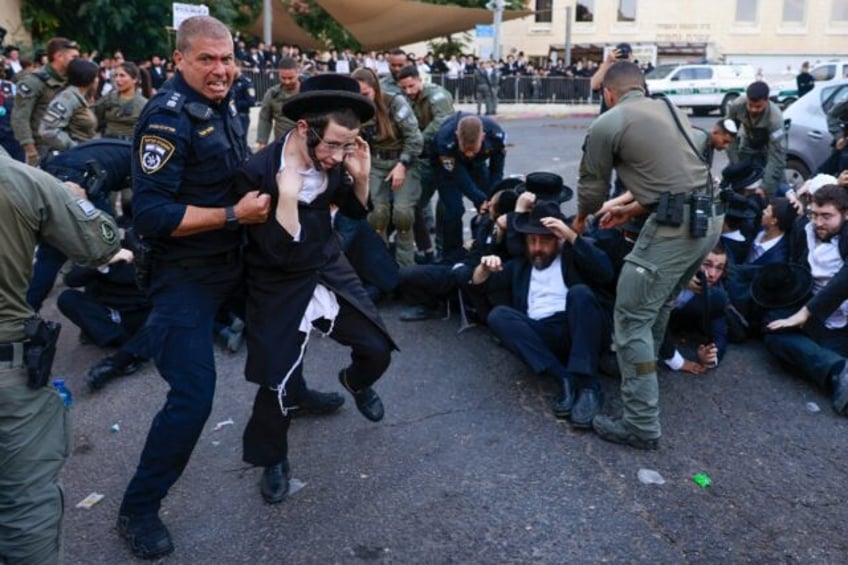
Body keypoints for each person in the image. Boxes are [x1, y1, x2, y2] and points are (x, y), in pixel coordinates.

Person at [116, 16, 271, 560]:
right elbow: (152, 214)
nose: (221, 69)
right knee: (193, 397)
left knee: (286, 325)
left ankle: (289, 410)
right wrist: (233, 214)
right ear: (178, 59)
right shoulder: (167, 118)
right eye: (207, 59)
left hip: (232, 258)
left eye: (227, 58)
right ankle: (138, 507)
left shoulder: (224, 104)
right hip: (185, 275)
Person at [233, 73, 396, 504]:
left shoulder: (336, 162)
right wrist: (286, 198)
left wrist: (360, 177)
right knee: (277, 380)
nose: (340, 155)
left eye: (350, 145)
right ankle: (273, 459)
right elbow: (278, 248)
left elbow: (356, 213)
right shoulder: (259, 172)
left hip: (324, 266)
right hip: (277, 278)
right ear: (305, 129)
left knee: (376, 346)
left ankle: (355, 382)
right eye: (334, 145)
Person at [573, 61, 723, 450]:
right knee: (657, 307)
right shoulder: (672, 111)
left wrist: (577, 223)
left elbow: (591, 193)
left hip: (675, 227)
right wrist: (631, 209)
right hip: (709, 220)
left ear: (608, 92)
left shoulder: (609, 122)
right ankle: (646, 378)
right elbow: (677, 180)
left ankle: (640, 424)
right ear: (643, 86)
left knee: (631, 316)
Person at [0, 153, 122, 565]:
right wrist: (74, 198)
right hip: (6, 376)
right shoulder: (23, 179)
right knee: (25, 508)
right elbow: (101, 242)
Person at [472, 201, 614, 427]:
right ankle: (563, 377)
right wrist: (484, 269)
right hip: (543, 335)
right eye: (532, 241)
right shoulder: (520, 266)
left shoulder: (574, 255)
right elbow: (478, 287)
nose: (537, 247)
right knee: (499, 316)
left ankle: (588, 385)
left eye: (545, 241)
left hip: (579, 329)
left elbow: (605, 272)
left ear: (558, 239)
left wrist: (571, 236)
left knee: (580, 293)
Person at [760, 185, 848, 417]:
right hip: (816, 323)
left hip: (843, 323)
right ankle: (838, 370)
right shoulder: (803, 229)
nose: (819, 222)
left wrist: (806, 312)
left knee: (808, 354)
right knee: (773, 327)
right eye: (815, 215)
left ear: (846, 214)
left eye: (827, 216)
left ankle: (833, 368)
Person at [56, 230, 151, 391]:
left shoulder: (136, 249)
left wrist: (120, 260)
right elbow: (71, 280)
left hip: (138, 314)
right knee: (67, 298)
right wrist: (101, 263)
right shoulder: (97, 256)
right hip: (109, 316)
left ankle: (125, 355)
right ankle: (127, 347)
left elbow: (138, 282)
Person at [351, 67, 423, 266]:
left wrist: (402, 165)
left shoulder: (395, 103)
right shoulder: (355, 109)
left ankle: (406, 268)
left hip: (403, 161)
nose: (362, 99)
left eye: (365, 94)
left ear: (375, 88)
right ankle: (380, 267)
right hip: (374, 162)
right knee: (377, 216)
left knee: (403, 216)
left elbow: (415, 139)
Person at [396, 64, 455, 264]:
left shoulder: (437, 96)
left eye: (411, 86)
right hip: (424, 160)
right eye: (404, 88)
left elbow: (442, 121)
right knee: (413, 204)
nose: (408, 91)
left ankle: (442, 252)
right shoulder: (406, 100)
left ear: (420, 80)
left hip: (445, 158)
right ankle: (425, 248)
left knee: (445, 208)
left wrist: (417, 140)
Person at [431, 112, 506, 261]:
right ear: (457, 136)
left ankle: (483, 248)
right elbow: (459, 177)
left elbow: (497, 170)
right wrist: (480, 198)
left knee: (491, 206)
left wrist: (491, 197)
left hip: (478, 165)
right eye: (466, 150)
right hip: (448, 167)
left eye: (473, 150)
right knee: (454, 209)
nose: (470, 154)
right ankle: (450, 254)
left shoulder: (496, 135)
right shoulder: (444, 139)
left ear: (483, 137)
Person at [660, 243, 730, 374]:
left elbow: (719, 333)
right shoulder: (664, 272)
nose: (712, 274)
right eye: (707, 264)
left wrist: (711, 358)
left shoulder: (716, 296)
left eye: (719, 268)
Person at [12, 37, 79, 166]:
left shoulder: (70, 80)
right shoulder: (33, 81)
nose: (77, 61)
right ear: (59, 56)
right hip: (42, 148)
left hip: (66, 144)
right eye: (74, 57)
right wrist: (29, 149)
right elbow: (20, 117)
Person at [725, 80, 787, 197]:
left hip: (770, 149)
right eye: (750, 105)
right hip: (748, 145)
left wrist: (764, 187)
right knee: (733, 179)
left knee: (776, 183)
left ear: (766, 100)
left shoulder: (775, 119)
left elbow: (777, 157)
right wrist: (736, 165)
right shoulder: (737, 105)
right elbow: (729, 135)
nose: (753, 110)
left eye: (758, 106)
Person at [38, 57, 100, 152]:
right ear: (89, 79)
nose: (97, 80)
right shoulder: (67, 99)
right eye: (96, 77)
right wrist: (74, 146)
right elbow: (48, 131)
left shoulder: (81, 98)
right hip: (70, 156)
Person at [255, 57, 300, 150]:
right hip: (282, 145)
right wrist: (262, 142)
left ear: (298, 72)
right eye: (283, 78)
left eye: (291, 78)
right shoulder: (272, 94)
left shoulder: (308, 91)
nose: (287, 82)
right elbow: (265, 118)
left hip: (305, 145)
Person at [95, 61, 148, 140]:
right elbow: (96, 118)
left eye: (122, 75)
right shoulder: (108, 98)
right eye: (116, 76)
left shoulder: (144, 104)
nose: (117, 79)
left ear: (134, 79)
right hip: (107, 142)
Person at [231, 62, 256, 142]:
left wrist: (234, 105)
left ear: (239, 67)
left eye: (233, 67)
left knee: (241, 142)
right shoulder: (229, 81)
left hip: (241, 117)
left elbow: (251, 102)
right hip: (230, 117)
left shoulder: (246, 82)